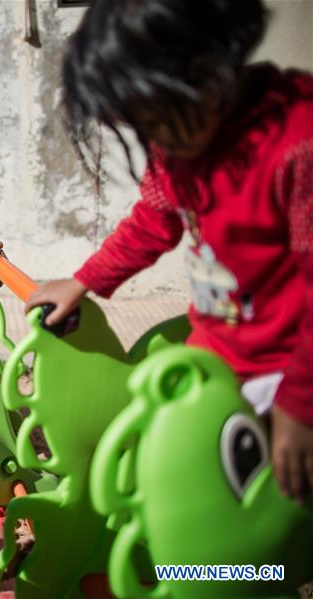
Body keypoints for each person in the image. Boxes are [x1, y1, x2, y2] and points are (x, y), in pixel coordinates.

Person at [25, 0, 313, 502]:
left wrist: (299, 405)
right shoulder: (182, 143)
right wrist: (83, 281)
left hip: (288, 371)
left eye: (157, 119)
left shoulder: (297, 144)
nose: (154, 141)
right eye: (142, 128)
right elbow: (154, 221)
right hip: (216, 355)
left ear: (206, 71)